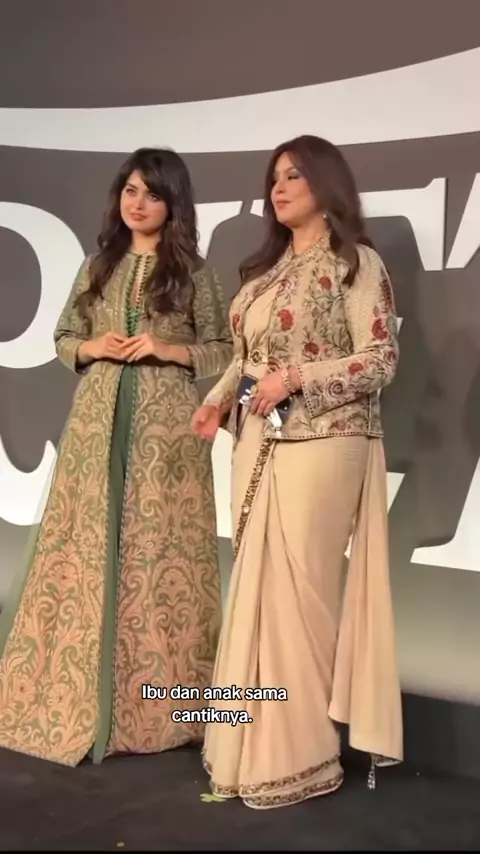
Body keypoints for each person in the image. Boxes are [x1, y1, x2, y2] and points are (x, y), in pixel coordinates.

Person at [0, 147, 232, 767]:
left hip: (166, 433)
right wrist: (93, 347)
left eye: (152, 194)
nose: (138, 203)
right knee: (90, 550)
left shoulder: (195, 272)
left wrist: (168, 349)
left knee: (159, 557)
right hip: (96, 424)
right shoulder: (97, 265)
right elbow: (62, 338)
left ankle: (168, 709)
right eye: (131, 190)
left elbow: (222, 348)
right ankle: (78, 698)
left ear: (173, 203)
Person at [192, 134, 403, 809]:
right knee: (256, 594)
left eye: (294, 176)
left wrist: (297, 377)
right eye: (274, 178)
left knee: (300, 599)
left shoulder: (354, 263)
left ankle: (304, 756)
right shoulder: (265, 272)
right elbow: (246, 360)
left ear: (326, 183)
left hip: (326, 442)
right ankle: (248, 752)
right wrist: (217, 400)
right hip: (258, 437)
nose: (279, 188)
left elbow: (380, 358)